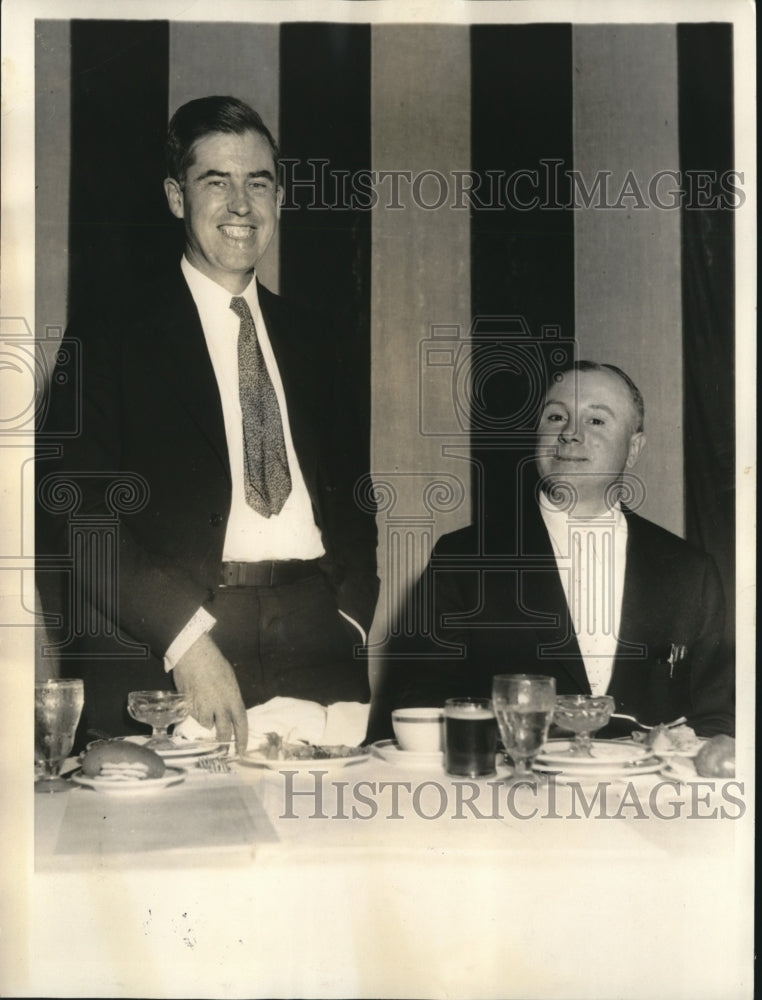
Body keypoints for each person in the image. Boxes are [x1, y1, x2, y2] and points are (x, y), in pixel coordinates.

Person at [36, 96, 379, 752]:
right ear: (176, 197)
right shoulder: (109, 335)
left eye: (259, 183)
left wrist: (350, 619)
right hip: (168, 648)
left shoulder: (321, 341)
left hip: (315, 641)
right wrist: (186, 640)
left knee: (325, 818)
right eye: (216, 182)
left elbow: (354, 506)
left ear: (279, 198)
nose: (241, 204)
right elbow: (75, 513)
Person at [370, 361, 733, 740]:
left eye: (596, 420)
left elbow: (715, 720)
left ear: (633, 448)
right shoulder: (463, 559)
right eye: (556, 416)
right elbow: (424, 706)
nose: (570, 434)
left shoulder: (690, 572)